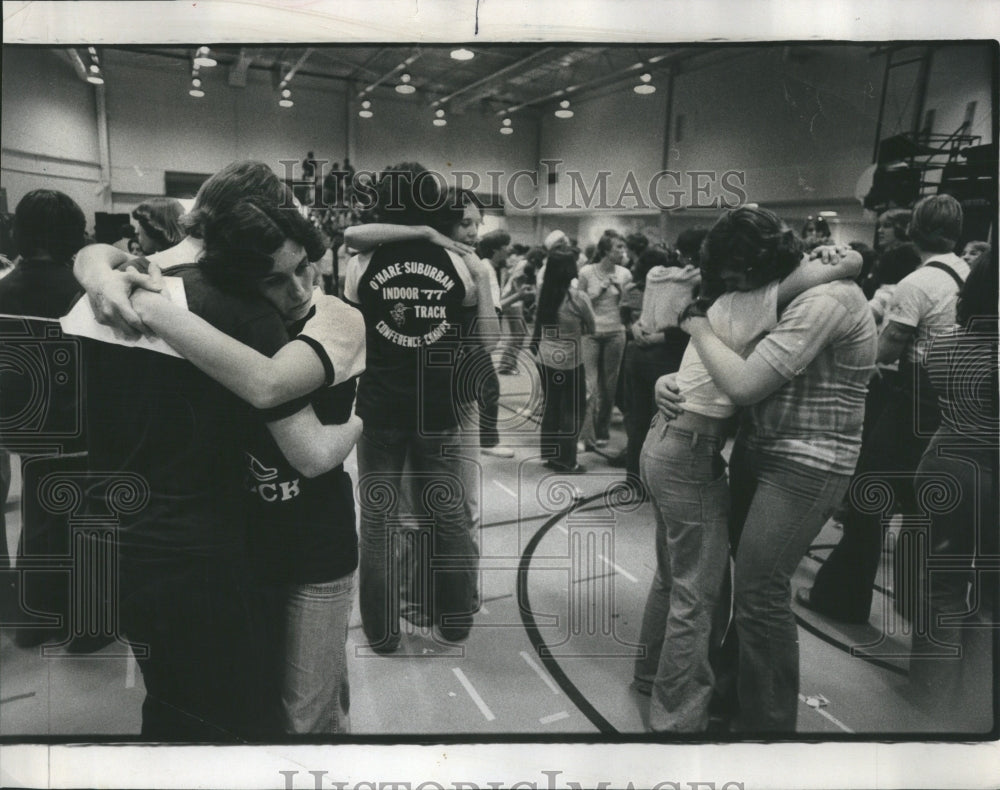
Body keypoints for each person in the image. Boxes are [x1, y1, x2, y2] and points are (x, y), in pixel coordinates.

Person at [73, 160, 354, 741]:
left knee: (179, 705)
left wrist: (103, 270)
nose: (296, 286)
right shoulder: (238, 307)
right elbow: (291, 422)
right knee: (241, 722)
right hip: (212, 553)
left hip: (120, 536)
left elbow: (269, 388)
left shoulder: (117, 291)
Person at [634, 223, 864, 732]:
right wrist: (689, 343)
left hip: (677, 444)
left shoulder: (738, 303)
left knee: (682, 578)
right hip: (690, 449)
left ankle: (659, 681)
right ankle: (679, 717)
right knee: (696, 589)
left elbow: (839, 268)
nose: (731, 278)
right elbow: (735, 380)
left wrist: (693, 334)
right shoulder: (748, 302)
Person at [344, 163, 497, 653]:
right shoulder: (457, 261)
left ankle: (382, 633)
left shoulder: (363, 260)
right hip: (439, 407)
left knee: (378, 521)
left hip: (379, 405)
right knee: (448, 516)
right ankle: (454, 622)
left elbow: (353, 312)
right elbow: (483, 337)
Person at [798, 194, 971, 625]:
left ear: (914, 228)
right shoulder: (971, 273)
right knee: (922, 510)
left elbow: (888, 347)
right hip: (955, 406)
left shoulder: (917, 283)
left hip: (914, 399)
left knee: (867, 500)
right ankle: (913, 604)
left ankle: (842, 598)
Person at [908, 250, 997, 728]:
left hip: (943, 465)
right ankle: (977, 705)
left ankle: (930, 696)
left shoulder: (944, 344)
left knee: (940, 585)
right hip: (990, 471)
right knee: (989, 597)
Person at [620, 243, 700, 486]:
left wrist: (638, 331)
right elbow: (684, 329)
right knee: (661, 424)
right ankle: (654, 482)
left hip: (637, 352)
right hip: (664, 355)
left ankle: (634, 480)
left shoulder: (653, 276)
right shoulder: (692, 279)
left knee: (637, 420)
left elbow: (634, 320)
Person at [533, 245, 595, 473]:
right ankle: (567, 460)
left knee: (551, 406)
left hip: (544, 357)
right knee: (572, 410)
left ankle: (549, 454)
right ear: (570, 268)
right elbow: (592, 328)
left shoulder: (544, 293)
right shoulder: (579, 298)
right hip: (569, 361)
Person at [577, 230, 632, 450]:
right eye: (618, 247)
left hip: (615, 333)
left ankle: (602, 430)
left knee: (610, 387)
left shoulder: (625, 274)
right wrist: (597, 293)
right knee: (589, 387)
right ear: (606, 250)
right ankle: (584, 435)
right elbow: (578, 303)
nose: (622, 251)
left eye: (623, 247)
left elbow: (629, 308)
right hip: (590, 333)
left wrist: (622, 294)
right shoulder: (586, 272)